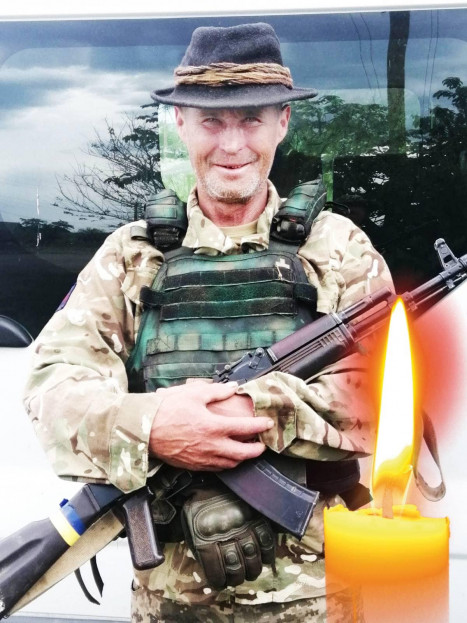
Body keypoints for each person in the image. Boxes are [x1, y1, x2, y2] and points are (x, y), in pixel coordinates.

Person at [24, 22, 393, 623]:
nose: (232, 143)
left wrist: (252, 409)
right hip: (173, 603)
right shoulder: (131, 257)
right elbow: (53, 389)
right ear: (181, 123)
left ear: (282, 122)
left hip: (319, 597)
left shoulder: (338, 248)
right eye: (212, 121)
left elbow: (384, 391)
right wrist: (156, 426)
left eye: (251, 119)